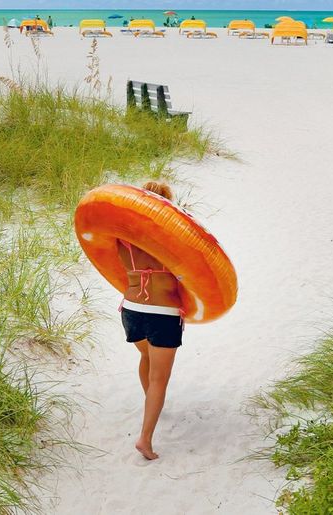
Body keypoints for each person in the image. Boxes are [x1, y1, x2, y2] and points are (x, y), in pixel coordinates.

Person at [117, 181, 185, 461]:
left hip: (131, 309)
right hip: (163, 313)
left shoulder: (123, 239)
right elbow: (189, 275)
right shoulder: (172, 240)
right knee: (160, 378)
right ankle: (145, 440)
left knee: (146, 357)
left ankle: (151, 405)